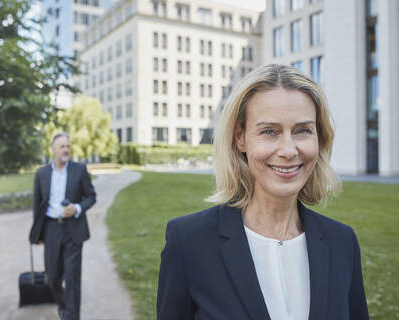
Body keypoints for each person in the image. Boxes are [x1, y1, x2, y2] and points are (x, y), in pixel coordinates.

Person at [157, 64, 369, 319]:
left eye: (302, 130)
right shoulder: (189, 241)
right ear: (240, 138)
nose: (289, 150)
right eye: (269, 131)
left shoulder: (342, 242)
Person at [29, 133, 96, 320]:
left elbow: (91, 196)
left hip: (74, 230)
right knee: (53, 277)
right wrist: (38, 233)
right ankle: (65, 308)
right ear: (53, 149)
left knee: (73, 279)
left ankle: (71, 316)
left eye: (68, 146)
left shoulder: (79, 170)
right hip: (51, 229)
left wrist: (77, 208)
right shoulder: (41, 173)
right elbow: (37, 205)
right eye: (62, 146)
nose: (66, 149)